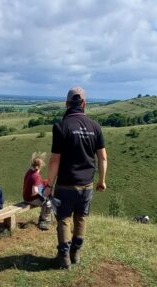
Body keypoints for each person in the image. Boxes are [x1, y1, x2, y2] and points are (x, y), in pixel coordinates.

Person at [43, 86, 107, 269]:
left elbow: (55, 161)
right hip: (86, 185)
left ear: (66, 104)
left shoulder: (61, 127)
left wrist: (49, 185)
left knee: (63, 219)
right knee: (81, 217)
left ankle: (63, 257)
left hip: (65, 185)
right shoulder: (95, 127)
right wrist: (101, 181)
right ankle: (76, 253)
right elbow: (102, 157)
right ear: (84, 104)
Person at [23, 153, 52, 230]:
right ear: (40, 166)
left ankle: (46, 218)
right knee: (47, 202)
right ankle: (42, 221)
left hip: (25, 196)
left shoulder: (29, 171)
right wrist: (42, 194)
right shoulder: (36, 176)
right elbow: (34, 191)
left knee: (46, 198)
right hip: (30, 199)